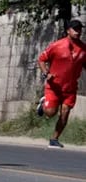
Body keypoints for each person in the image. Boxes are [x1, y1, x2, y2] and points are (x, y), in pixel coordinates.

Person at [36, 18, 86, 148]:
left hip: (70, 88)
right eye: (75, 29)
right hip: (54, 86)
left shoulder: (83, 49)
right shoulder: (57, 45)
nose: (78, 32)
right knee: (50, 113)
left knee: (65, 113)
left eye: (79, 29)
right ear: (68, 31)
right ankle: (43, 103)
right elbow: (41, 60)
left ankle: (54, 139)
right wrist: (46, 73)